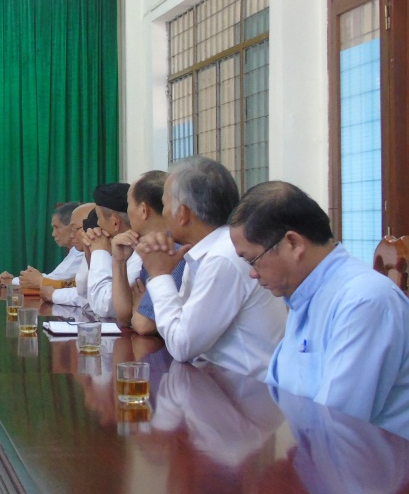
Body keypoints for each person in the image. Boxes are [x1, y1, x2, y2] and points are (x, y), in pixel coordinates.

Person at [228, 181, 409, 438]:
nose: (253, 273)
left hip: (369, 471)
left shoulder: (363, 301)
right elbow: (281, 395)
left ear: (293, 243)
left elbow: (336, 425)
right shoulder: (304, 294)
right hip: (315, 458)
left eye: (253, 259)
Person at [135, 157, 285, 380]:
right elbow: (180, 327)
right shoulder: (202, 251)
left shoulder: (223, 256)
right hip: (215, 386)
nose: (163, 214)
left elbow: (182, 346)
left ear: (183, 214)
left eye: (165, 205)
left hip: (245, 399)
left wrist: (159, 275)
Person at [111, 171, 184, 335]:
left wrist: (139, 310)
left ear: (143, 210)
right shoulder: (151, 244)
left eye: (128, 203)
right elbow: (123, 317)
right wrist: (119, 261)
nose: (126, 211)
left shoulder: (171, 248)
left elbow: (143, 325)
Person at [83, 183, 141, 319]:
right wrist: (90, 256)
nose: (97, 224)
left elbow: (104, 306)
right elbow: (84, 296)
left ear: (115, 222)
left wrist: (99, 252)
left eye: (98, 217)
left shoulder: (141, 252)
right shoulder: (114, 246)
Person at [0, 202, 82, 290]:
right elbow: (53, 280)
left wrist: (12, 281)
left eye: (57, 227)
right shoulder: (75, 251)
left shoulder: (81, 253)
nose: (53, 234)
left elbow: (54, 280)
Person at [41, 203, 95, 306]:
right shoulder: (86, 253)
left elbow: (90, 298)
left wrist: (53, 294)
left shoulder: (111, 255)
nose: (71, 235)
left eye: (75, 229)